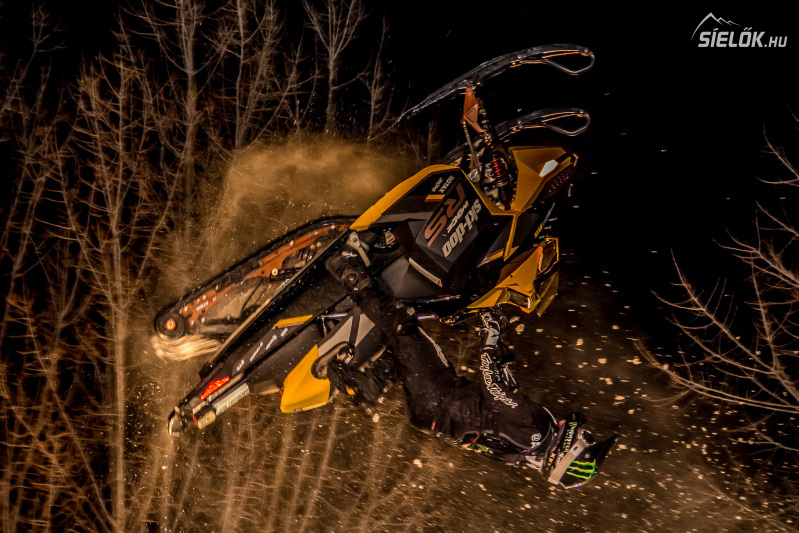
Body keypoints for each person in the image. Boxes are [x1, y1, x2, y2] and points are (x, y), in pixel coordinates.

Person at [325, 257, 617, 489]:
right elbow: (501, 405)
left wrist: (490, 337)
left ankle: (347, 270)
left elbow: (494, 390)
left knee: (405, 326)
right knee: (409, 352)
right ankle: (373, 383)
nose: (585, 433)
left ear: (571, 452)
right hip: (435, 413)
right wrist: (500, 353)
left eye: (587, 439)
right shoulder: (530, 449)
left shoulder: (538, 430)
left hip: (440, 395)